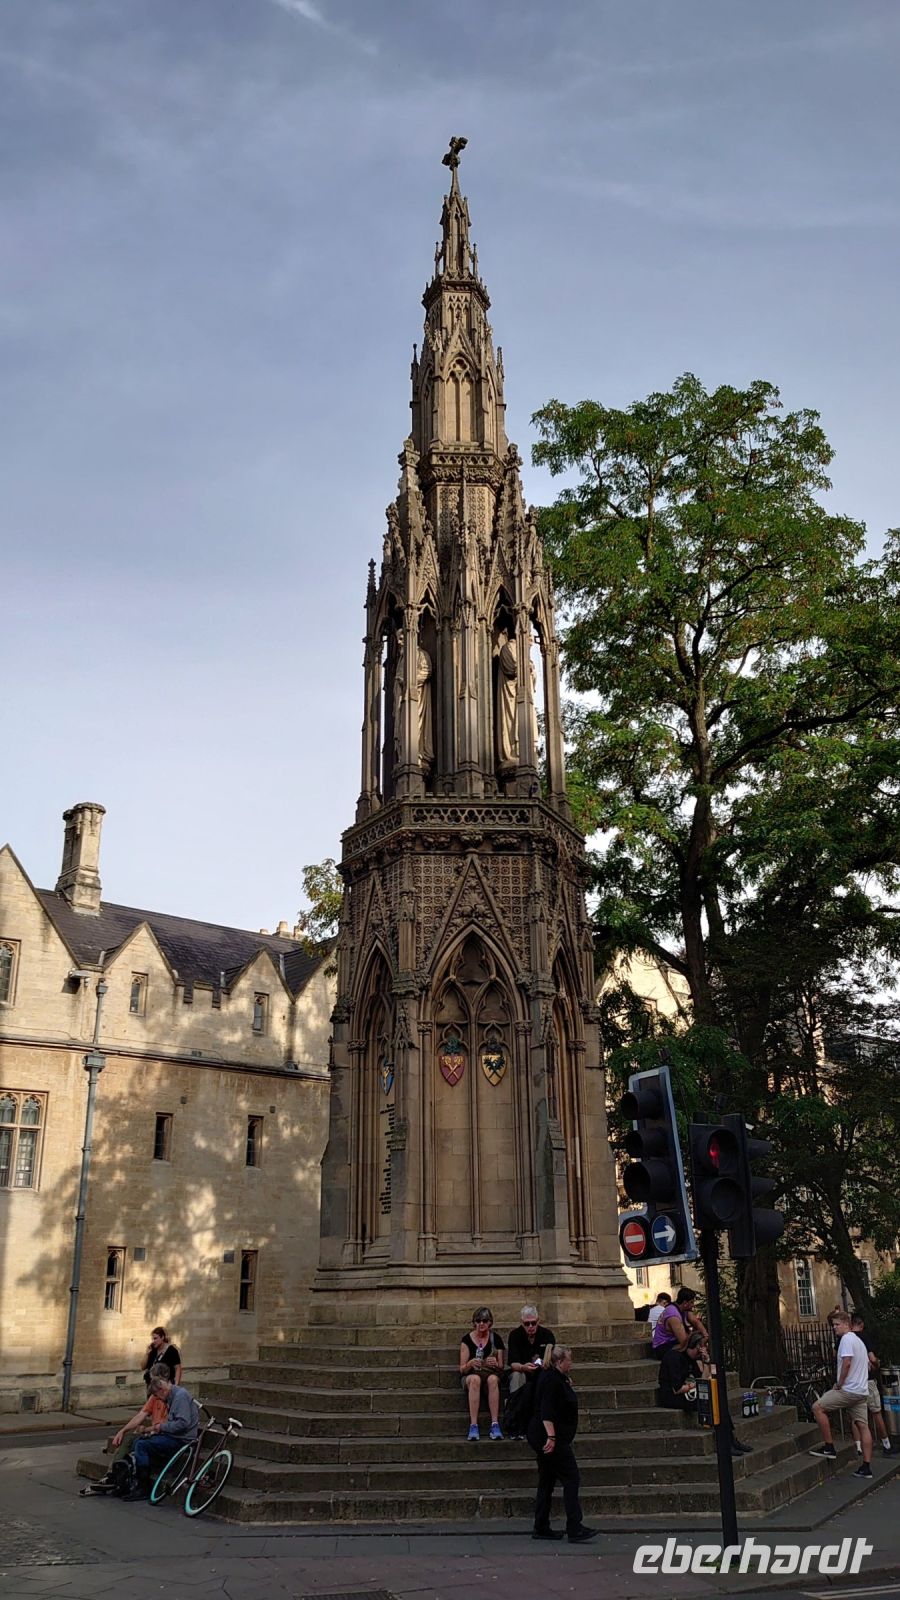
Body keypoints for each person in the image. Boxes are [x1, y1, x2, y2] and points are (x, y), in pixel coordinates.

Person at [527, 1345, 598, 1543]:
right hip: (551, 1438)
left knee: (547, 1480)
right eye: (569, 1360)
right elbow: (546, 1410)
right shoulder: (552, 1380)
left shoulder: (555, 1377)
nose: (571, 1363)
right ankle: (574, 1526)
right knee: (571, 1478)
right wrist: (551, 1437)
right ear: (559, 1362)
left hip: (546, 1436)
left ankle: (541, 1525)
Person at [809, 1311, 873, 1477]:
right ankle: (866, 1466)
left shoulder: (846, 1339)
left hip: (848, 1390)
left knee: (817, 1407)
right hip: (861, 1391)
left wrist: (840, 1383)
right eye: (833, 1325)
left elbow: (846, 1363)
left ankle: (829, 1446)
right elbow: (867, 1365)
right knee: (863, 1425)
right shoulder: (859, 1342)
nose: (834, 1328)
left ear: (846, 1324)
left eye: (837, 1324)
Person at [125, 1373, 199, 1500]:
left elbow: (183, 1423)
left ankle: (143, 1487)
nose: (158, 1399)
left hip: (182, 1440)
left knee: (141, 1445)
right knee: (139, 1441)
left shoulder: (180, 1396)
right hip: (174, 1436)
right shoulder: (172, 1395)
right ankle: (137, 1480)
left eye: (157, 1396)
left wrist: (161, 1427)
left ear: (162, 1390)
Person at [459, 1307, 505, 1441]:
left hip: (490, 1375)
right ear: (474, 1323)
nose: (481, 1324)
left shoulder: (495, 1339)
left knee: (492, 1379)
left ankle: (495, 1424)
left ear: (490, 1322)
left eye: (484, 1321)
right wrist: (470, 1363)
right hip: (471, 1375)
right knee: (474, 1380)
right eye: (478, 1321)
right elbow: (462, 1369)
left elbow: (501, 1367)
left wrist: (495, 1363)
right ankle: (473, 1425)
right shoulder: (467, 1340)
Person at [851, 1314, 893, 1456]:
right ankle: (886, 1444)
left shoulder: (846, 1339)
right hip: (867, 1380)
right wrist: (877, 1363)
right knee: (876, 1412)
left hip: (852, 1382)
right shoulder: (864, 1338)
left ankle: (858, 1446)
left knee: (856, 1416)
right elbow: (872, 1359)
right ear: (861, 1324)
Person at [507, 1305, 556, 1395]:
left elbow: (552, 1360)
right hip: (522, 1370)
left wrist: (542, 1363)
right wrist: (523, 1367)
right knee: (517, 1375)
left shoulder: (547, 1335)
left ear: (538, 1321)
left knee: (549, 1375)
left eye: (533, 1323)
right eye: (527, 1324)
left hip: (542, 1370)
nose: (530, 1326)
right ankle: (516, 1405)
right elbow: (513, 1363)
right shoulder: (514, 1335)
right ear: (522, 1323)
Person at [651, 1290, 690, 1358]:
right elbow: (683, 1340)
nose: (693, 1305)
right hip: (662, 1346)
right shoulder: (673, 1315)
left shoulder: (670, 1309)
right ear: (685, 1303)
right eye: (692, 1302)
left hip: (659, 1343)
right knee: (687, 1347)